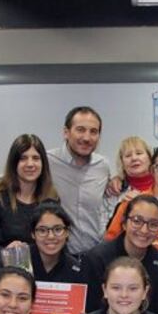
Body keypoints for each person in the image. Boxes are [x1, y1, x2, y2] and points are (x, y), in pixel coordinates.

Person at [84, 195, 158, 314]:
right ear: (124, 223)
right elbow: (89, 312)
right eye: (137, 221)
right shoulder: (97, 259)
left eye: (153, 224)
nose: (144, 230)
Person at [48, 106, 110, 254]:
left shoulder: (103, 165)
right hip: (58, 255)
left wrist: (119, 179)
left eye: (93, 131)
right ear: (66, 132)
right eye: (80, 129)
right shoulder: (47, 162)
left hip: (95, 253)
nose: (87, 137)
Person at [0, 134, 58, 249]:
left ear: (43, 164)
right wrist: (8, 252)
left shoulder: (51, 201)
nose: (30, 164)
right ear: (14, 163)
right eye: (23, 158)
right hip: (4, 265)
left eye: (36, 158)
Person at [103, 136, 155, 222]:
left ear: (150, 158)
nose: (134, 158)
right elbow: (107, 228)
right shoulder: (114, 190)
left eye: (139, 153)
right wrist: (122, 209)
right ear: (122, 163)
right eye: (128, 156)